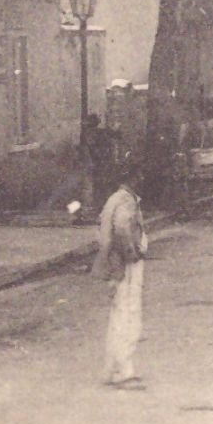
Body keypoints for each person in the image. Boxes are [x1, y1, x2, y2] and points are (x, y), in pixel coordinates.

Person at [91, 163, 148, 389]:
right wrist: (132, 253)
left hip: (114, 262)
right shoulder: (126, 201)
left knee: (117, 315)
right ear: (132, 178)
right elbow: (123, 229)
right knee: (129, 314)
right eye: (139, 174)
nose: (142, 179)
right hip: (125, 264)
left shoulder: (113, 199)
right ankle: (125, 371)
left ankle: (112, 369)